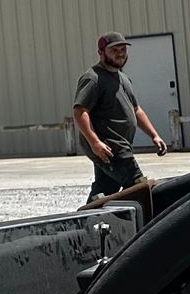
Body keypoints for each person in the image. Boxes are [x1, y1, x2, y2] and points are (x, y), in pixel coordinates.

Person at [72, 32, 168, 201]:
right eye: (114, 49)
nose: (121, 53)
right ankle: (147, 225)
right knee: (138, 186)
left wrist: (154, 135)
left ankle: (86, 220)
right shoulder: (93, 78)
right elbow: (80, 112)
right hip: (110, 146)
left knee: (106, 190)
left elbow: (136, 110)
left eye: (123, 49)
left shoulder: (123, 78)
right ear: (101, 52)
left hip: (119, 144)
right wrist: (95, 143)